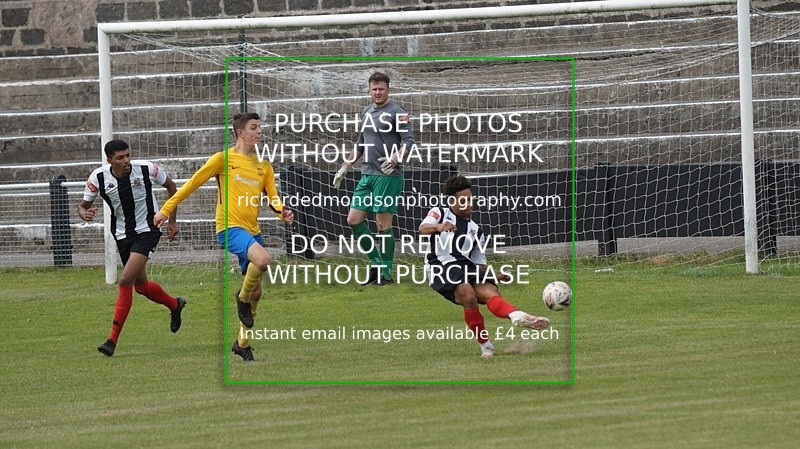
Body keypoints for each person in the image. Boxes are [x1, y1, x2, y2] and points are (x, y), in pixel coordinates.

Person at [153, 112, 293, 362]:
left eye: (260, 127)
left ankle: (242, 344)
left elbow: (273, 199)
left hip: (253, 231)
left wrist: (283, 212)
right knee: (263, 260)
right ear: (240, 133)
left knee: (257, 293)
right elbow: (191, 184)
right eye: (254, 127)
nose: (259, 131)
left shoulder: (264, 167)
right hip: (229, 228)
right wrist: (165, 210)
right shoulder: (222, 159)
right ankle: (240, 298)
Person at [418, 175, 550, 358]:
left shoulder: (476, 230)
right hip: (439, 265)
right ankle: (486, 345)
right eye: (463, 201)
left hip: (464, 266)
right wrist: (438, 227)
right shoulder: (439, 212)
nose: (469, 204)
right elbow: (422, 229)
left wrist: (495, 275)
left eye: (470, 199)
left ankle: (518, 316)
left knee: (491, 293)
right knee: (468, 295)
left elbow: (479, 264)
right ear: (452, 201)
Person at [77, 139, 186, 357]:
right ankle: (175, 305)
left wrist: (171, 221)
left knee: (125, 280)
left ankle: (111, 341)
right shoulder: (98, 178)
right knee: (141, 286)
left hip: (148, 230)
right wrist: (84, 214)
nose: (126, 160)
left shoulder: (146, 169)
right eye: (120, 157)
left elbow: (172, 187)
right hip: (122, 235)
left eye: (128, 155)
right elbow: (82, 206)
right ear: (110, 160)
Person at [333, 71, 415, 285]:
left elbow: (409, 141)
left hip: (387, 175)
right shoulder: (366, 111)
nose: (377, 92)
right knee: (353, 219)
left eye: (381, 89)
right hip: (366, 174)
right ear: (369, 90)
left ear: (388, 90)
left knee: (382, 224)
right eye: (374, 89)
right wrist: (346, 165)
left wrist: (395, 159)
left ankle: (386, 275)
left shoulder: (398, 112)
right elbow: (361, 142)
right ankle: (377, 264)